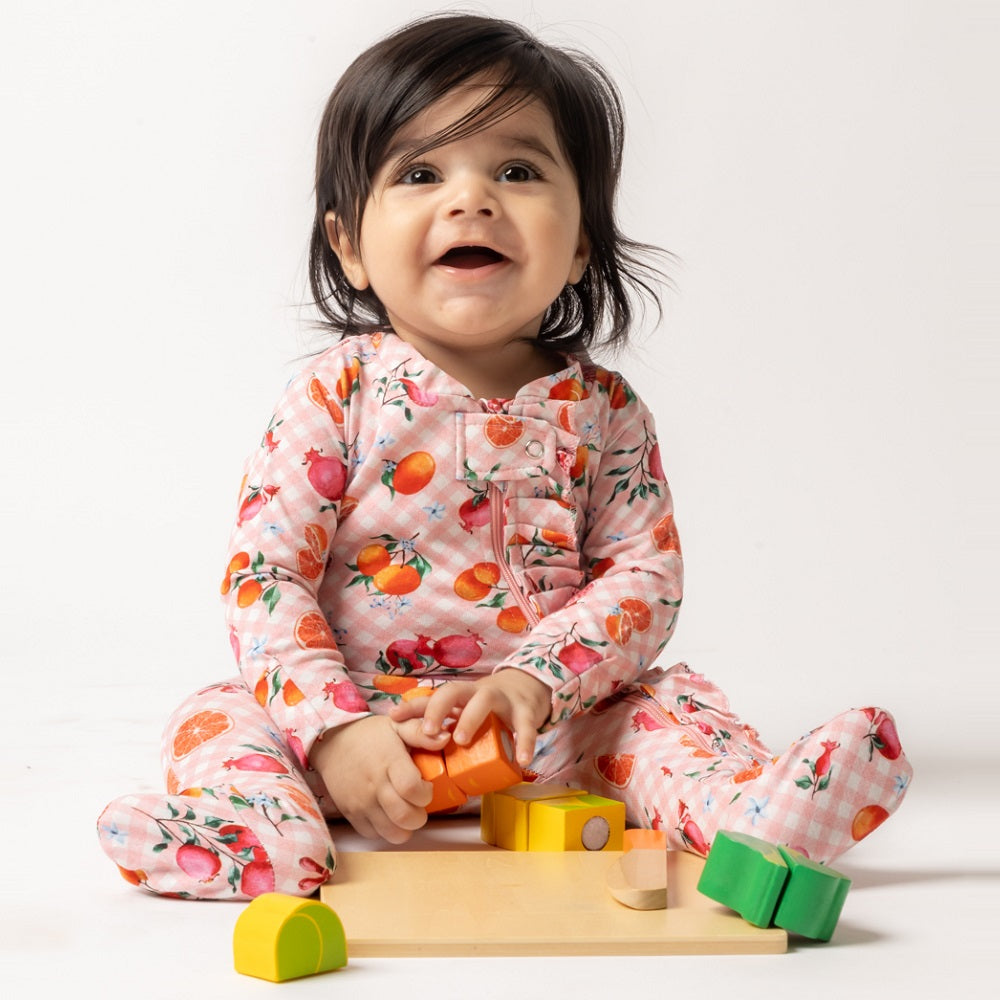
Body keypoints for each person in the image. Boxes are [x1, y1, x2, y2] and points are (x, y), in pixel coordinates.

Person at [97, 13, 911, 900]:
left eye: (518, 170)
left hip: (551, 730)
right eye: (419, 173)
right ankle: (263, 831)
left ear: (580, 245)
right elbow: (265, 578)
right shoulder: (335, 395)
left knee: (663, 712)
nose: (471, 199)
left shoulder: (603, 412)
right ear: (348, 245)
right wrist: (333, 732)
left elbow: (644, 576)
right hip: (359, 727)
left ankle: (749, 815)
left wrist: (536, 684)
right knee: (218, 713)